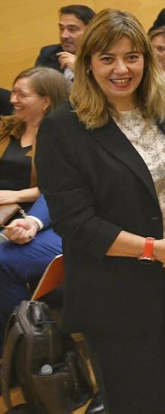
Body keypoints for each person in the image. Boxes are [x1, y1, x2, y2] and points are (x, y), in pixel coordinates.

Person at [36, 9, 165, 414]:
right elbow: (76, 224)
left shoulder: (164, 104)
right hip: (115, 294)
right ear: (88, 64)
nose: (121, 69)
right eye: (107, 58)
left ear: (147, 59)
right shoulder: (63, 128)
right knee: (138, 401)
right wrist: (153, 249)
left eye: (132, 56)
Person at [0, 68, 69, 325]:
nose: (12, 99)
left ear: (46, 100)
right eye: (13, 91)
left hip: (46, 218)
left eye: (21, 94)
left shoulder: (63, 136)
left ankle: (31, 341)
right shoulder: (7, 128)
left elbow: (58, 188)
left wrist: (15, 196)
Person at [36, 4, 95, 79]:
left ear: (91, 31)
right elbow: (37, 87)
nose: (64, 35)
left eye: (72, 29)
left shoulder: (102, 58)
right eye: (61, 29)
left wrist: (79, 70)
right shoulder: (48, 54)